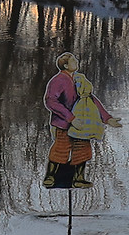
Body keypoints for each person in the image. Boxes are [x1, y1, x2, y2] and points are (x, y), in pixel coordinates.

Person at [42, 52, 119, 188]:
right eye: (73, 60)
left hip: (83, 124)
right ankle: (50, 177)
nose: (76, 62)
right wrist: (71, 118)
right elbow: (51, 101)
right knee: (61, 149)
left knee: (82, 150)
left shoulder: (80, 79)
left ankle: (79, 179)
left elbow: (90, 99)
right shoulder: (58, 80)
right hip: (64, 124)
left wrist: (107, 119)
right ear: (65, 65)